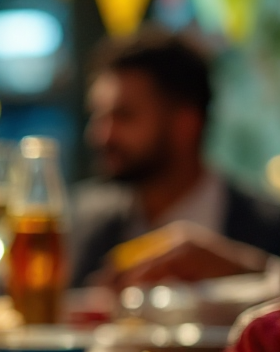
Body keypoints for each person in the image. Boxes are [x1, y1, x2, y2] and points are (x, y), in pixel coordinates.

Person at [70, 30, 280, 288]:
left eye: (124, 116)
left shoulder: (268, 227)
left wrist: (244, 269)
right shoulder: (83, 224)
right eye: (99, 117)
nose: (101, 136)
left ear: (185, 124)